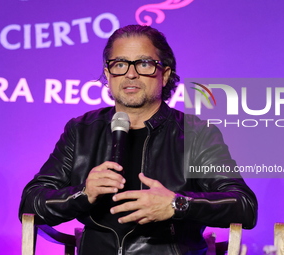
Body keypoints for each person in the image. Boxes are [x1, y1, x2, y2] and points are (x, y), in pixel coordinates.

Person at [19, 24, 258, 255]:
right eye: (120, 64)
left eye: (144, 64)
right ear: (108, 74)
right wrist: (83, 194)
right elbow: (31, 203)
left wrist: (177, 204)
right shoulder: (81, 130)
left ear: (164, 74)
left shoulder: (196, 133)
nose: (131, 74)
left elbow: (243, 205)